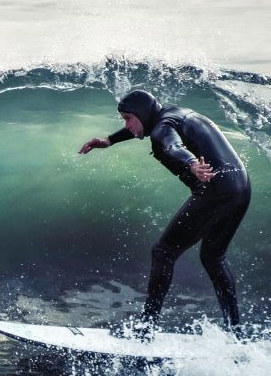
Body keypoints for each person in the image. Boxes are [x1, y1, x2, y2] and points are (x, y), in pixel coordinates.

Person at [79, 90, 251, 335]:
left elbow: (172, 145)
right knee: (213, 258)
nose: (127, 125)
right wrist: (110, 140)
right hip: (240, 188)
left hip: (214, 190)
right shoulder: (176, 114)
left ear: (141, 114)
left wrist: (191, 163)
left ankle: (146, 329)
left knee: (163, 252)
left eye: (128, 118)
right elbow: (156, 132)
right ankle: (236, 331)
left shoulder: (161, 130)